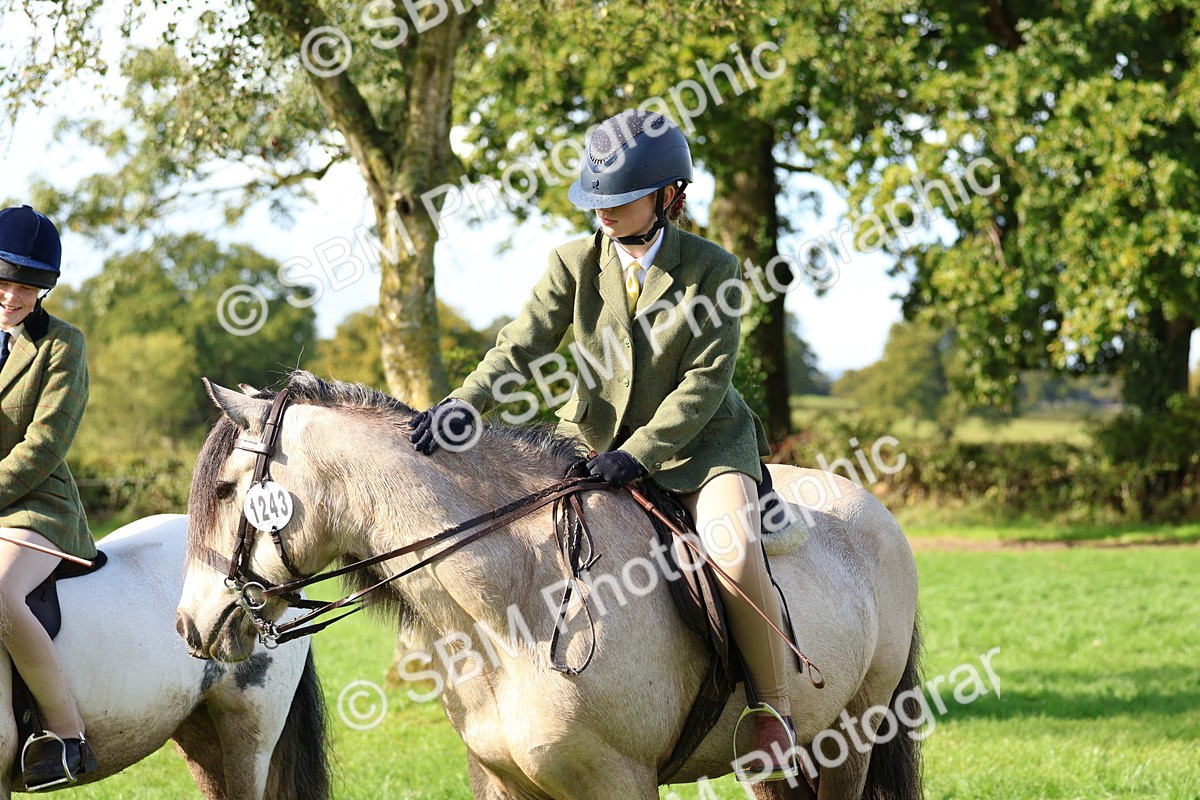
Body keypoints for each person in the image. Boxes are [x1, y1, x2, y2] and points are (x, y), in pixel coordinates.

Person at [410, 110, 799, 781]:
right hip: (588, 445)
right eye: (597, 201)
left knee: (733, 551)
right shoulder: (572, 264)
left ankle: (773, 712)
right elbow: (522, 344)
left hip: (698, 451)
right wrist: (462, 406)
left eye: (619, 201)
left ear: (669, 196)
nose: (605, 214)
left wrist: (641, 453)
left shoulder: (714, 269)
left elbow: (705, 385)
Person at [0, 205, 97, 790]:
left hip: (37, 505)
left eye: (28, 288)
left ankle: (66, 735)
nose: (12, 297)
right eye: (3, 280)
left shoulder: (63, 346)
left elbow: (43, 445)